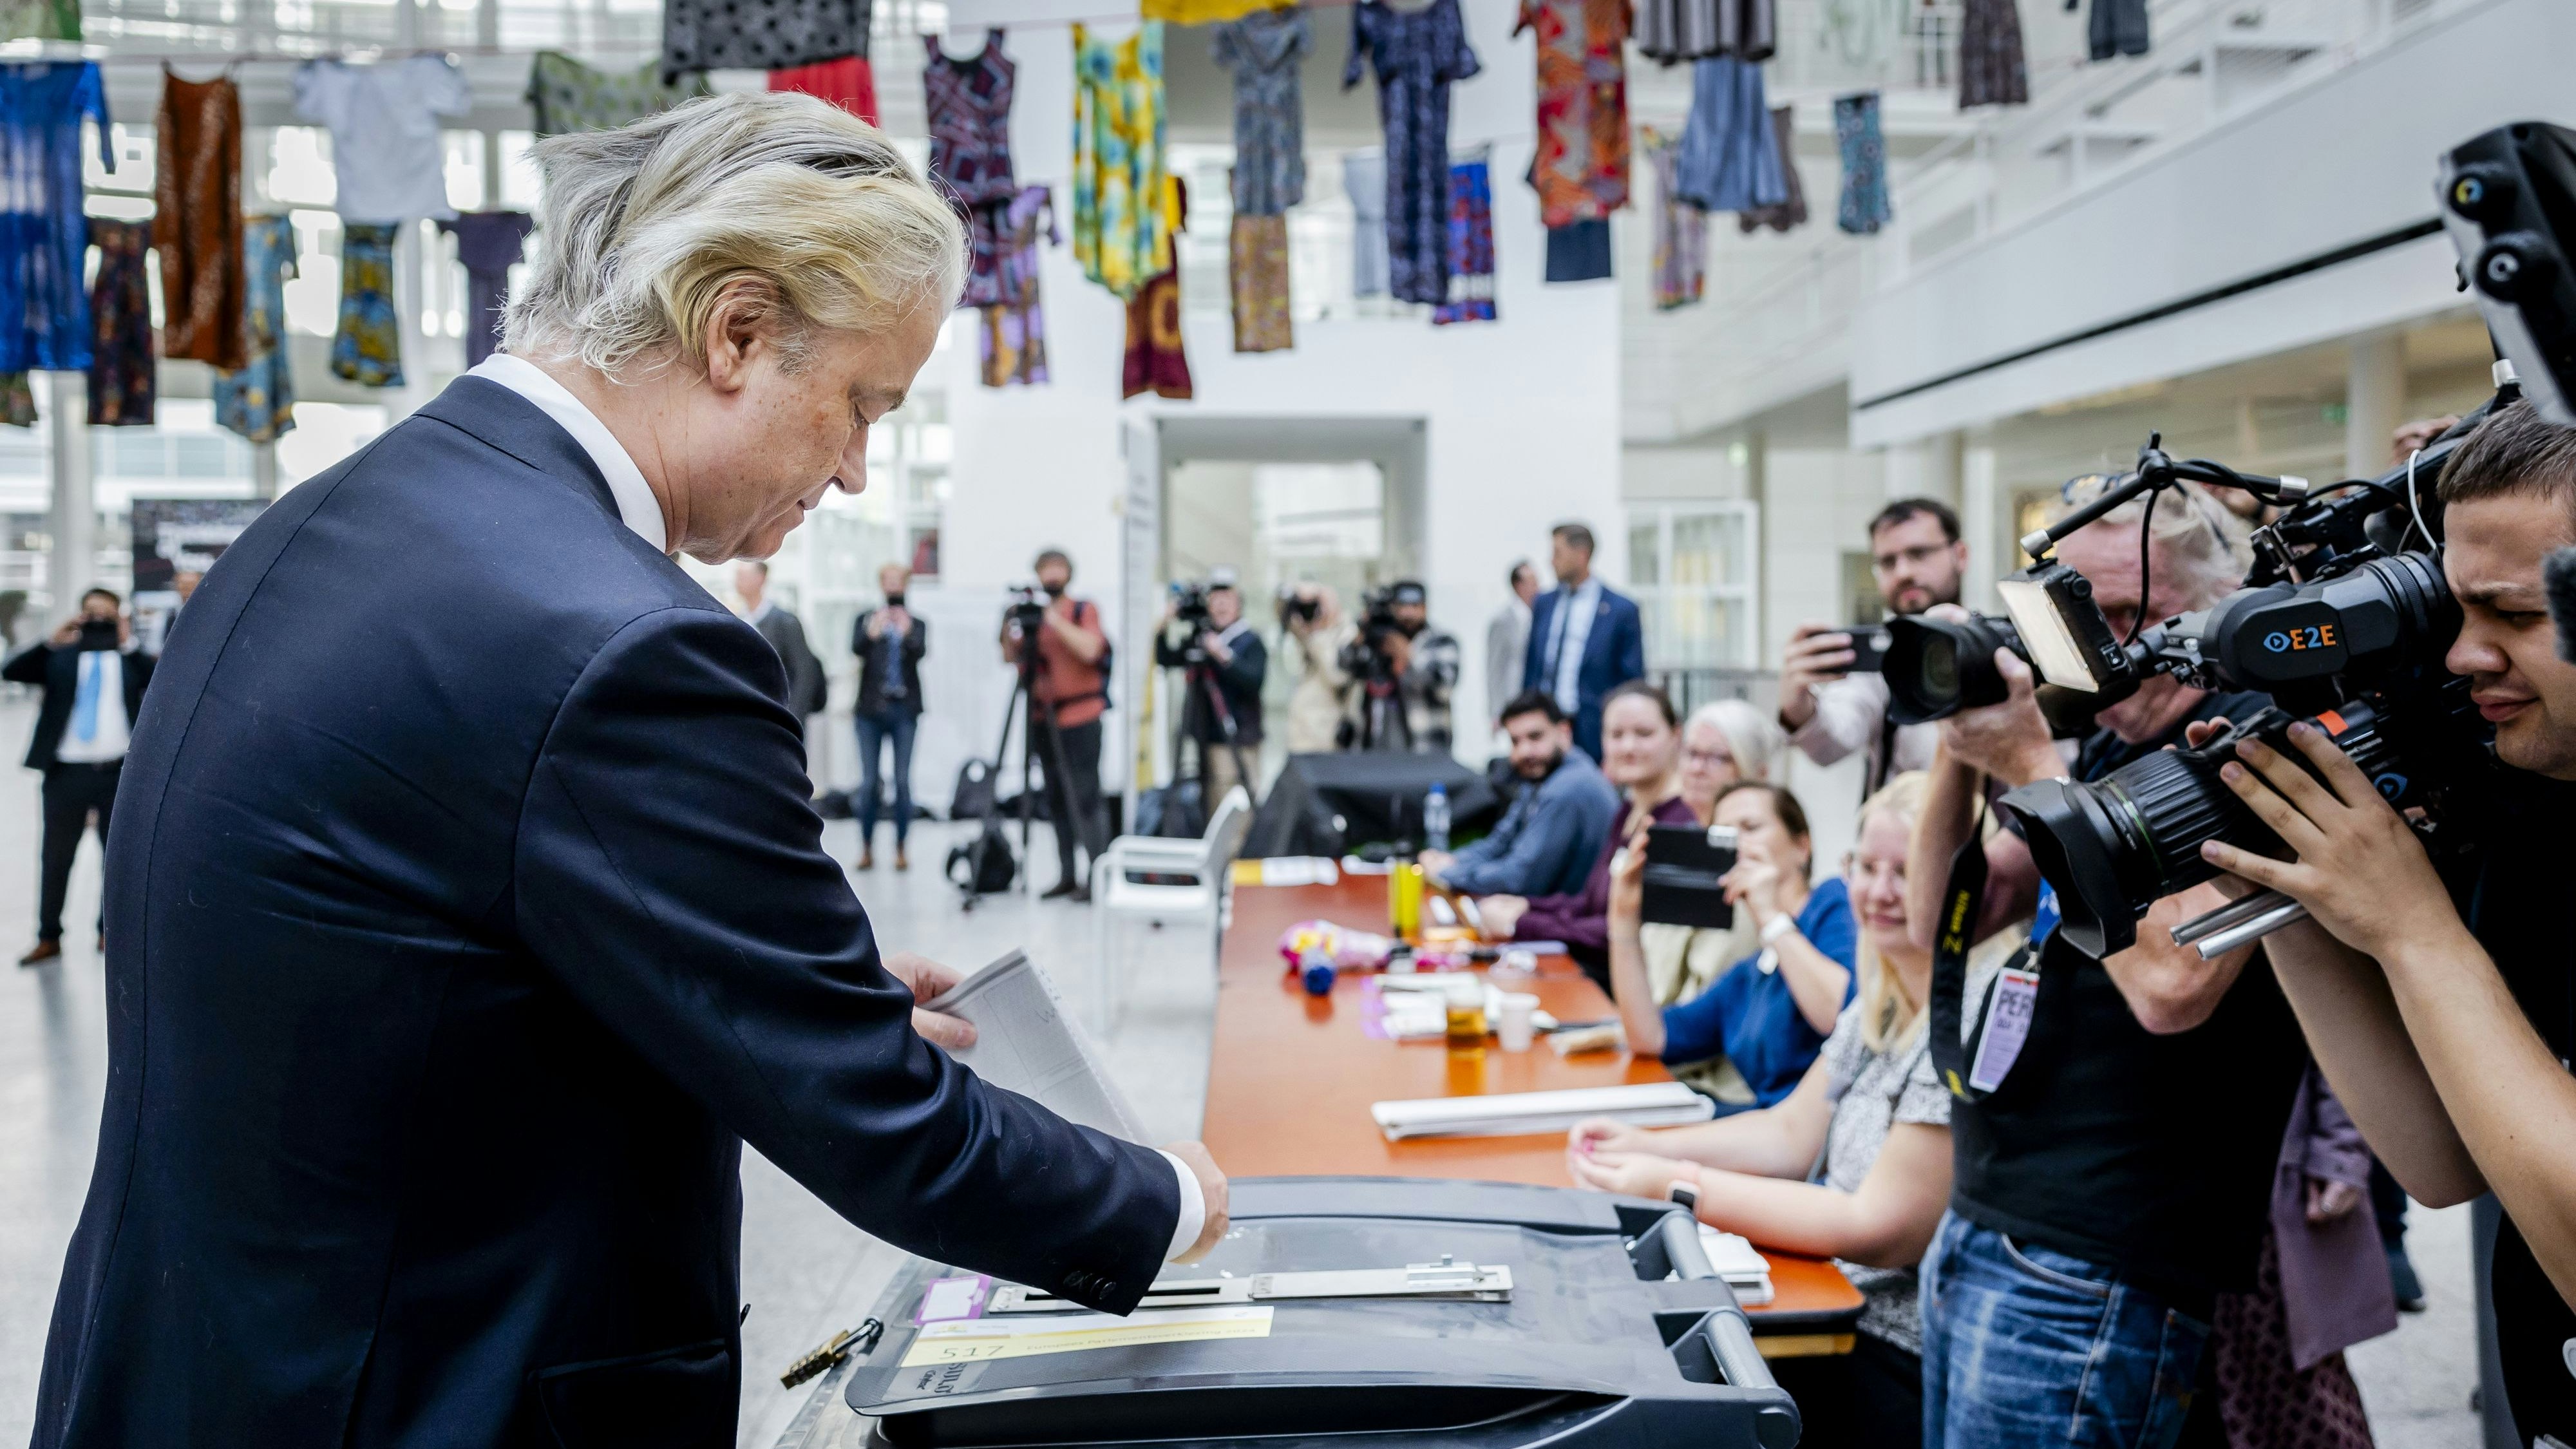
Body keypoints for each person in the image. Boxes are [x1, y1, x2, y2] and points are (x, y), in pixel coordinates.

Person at [29, 95, 1230, 1448]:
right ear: (735, 331)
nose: (850, 473)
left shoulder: (335, 519)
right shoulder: (626, 644)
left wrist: (768, 977)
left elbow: (415, 950)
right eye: (857, 406)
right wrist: (1167, 1197)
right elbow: (884, 1132)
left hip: (207, 1370)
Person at [2189, 398, 2576, 1443]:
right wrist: (2294, 884)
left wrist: (2414, 929)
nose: (2464, 656)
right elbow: (2445, 1161)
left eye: (2519, 617)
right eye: (2458, 614)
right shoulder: (2535, 821)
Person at [1901, 480, 2307, 1449]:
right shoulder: (2104, 749)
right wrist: (1969, 736)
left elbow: (2173, 985)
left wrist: (2036, 761)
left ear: (2218, 604)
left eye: (2132, 613)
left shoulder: (2258, 739)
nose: (2108, 648)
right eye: (2085, 618)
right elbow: (1941, 913)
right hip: (1989, 1211)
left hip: (2104, 1252)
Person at [1569, 773, 1945, 1449]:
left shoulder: (1954, 1018)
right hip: (1823, 1289)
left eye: (1905, 871)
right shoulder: (1879, 1006)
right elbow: (1788, 1132)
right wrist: (1649, 1147)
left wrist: (1674, 1184)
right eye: (1869, 868)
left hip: (1888, 1346)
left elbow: (1877, 1229)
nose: (1882, 891)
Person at [1605, 781, 1858, 1110]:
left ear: (1802, 846)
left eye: (1751, 828)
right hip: (1760, 1133)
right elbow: (1650, 1037)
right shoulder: (1750, 974)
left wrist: (1771, 916)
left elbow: (1842, 1018)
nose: (1738, 843)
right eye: (1723, 835)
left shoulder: (1831, 902)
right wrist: (1623, 919)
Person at [1476, 681, 1697, 984]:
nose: (1628, 747)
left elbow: (1625, 931)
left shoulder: (1681, 822)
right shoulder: (1628, 809)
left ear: (1675, 736)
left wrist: (1525, 923)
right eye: (1617, 735)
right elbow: (1591, 902)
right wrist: (1528, 906)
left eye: (1644, 734)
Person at [1776, 498, 1969, 793]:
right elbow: (1831, 742)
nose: (1903, 572)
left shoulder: (1997, 649)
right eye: (1888, 562)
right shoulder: (1881, 661)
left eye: (1919, 554)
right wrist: (1797, 705)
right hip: (1897, 835)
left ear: (1960, 555)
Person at [5, 588, 155, 966]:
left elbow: (161, 682)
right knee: (56, 858)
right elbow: (11, 671)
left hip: (118, 775)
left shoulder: (130, 661)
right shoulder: (62, 658)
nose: (98, 620)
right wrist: (53, 641)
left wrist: (128, 641)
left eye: (106, 614)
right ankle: (48, 936)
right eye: (91, 613)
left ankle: (109, 932)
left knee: (117, 860)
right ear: (78, 616)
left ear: (119, 617)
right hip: (65, 774)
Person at [1420, 690, 1616, 898]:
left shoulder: (1569, 788)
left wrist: (1447, 872)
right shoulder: (1543, 774)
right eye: (1515, 741)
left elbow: (1519, 878)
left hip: (1568, 920)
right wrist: (1450, 861)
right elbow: (1500, 842)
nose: (1525, 751)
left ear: (1564, 732)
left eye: (1535, 737)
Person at [1000, 547, 1114, 901]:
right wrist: (1009, 621)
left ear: (1068, 573)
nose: (1051, 575)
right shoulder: (1029, 615)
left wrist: (1053, 619)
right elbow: (1010, 656)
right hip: (1041, 719)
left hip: (1081, 716)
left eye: (1058, 568)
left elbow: (1092, 650)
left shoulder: (1083, 609)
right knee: (1055, 798)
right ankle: (1067, 874)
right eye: (1045, 569)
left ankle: (1099, 877)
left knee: (1086, 798)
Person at [1524, 523, 1646, 762]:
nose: (1552, 561)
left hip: (1592, 728)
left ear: (1582, 555)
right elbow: (1531, 666)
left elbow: (1631, 679)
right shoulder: (1544, 604)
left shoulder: (1620, 610)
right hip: (1546, 724)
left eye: (1558, 553)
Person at [1154, 574, 1267, 809]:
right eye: (1215, 600)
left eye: (1227, 600)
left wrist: (1222, 655)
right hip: (1209, 738)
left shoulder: (1250, 641)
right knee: (1214, 801)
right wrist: (1163, 625)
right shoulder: (1201, 640)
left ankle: (1240, 847)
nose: (1221, 606)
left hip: (1239, 738)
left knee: (1238, 802)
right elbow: (1166, 659)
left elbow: (1253, 682)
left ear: (1239, 605)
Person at [851, 562, 925, 871]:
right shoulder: (866, 618)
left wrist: (907, 633)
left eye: (898, 581)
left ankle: (901, 848)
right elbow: (856, 648)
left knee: (903, 781)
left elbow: (920, 650)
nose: (893, 586)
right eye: (888, 580)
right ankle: (867, 847)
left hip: (904, 709)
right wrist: (872, 632)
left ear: (906, 585)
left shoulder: (917, 623)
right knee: (869, 783)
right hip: (869, 709)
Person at [735, 560, 826, 737]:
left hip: (781, 718)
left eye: (743, 575)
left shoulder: (785, 622)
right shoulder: (738, 620)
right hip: (748, 719)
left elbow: (804, 672)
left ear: (761, 579)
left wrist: (794, 717)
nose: (737, 580)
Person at [1276, 581, 1355, 754]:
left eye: (1319, 604)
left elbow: (1338, 676)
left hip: (1325, 736)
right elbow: (1280, 613)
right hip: (1300, 733)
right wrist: (1296, 597)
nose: (1315, 610)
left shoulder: (1347, 633)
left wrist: (1318, 637)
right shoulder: (1305, 630)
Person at [1382, 580, 1461, 752]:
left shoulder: (1442, 641)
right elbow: (1347, 669)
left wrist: (1409, 655)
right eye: (1402, 606)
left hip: (1428, 744)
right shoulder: (1383, 641)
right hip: (1383, 747)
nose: (1408, 613)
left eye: (1415, 606)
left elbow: (1444, 687)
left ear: (1425, 607)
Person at [1486, 559, 1539, 728]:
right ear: (1518, 585)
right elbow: (1495, 667)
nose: (1536, 587)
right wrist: (1496, 711)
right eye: (1531, 582)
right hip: (1514, 695)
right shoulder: (1503, 620)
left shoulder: (1541, 614)